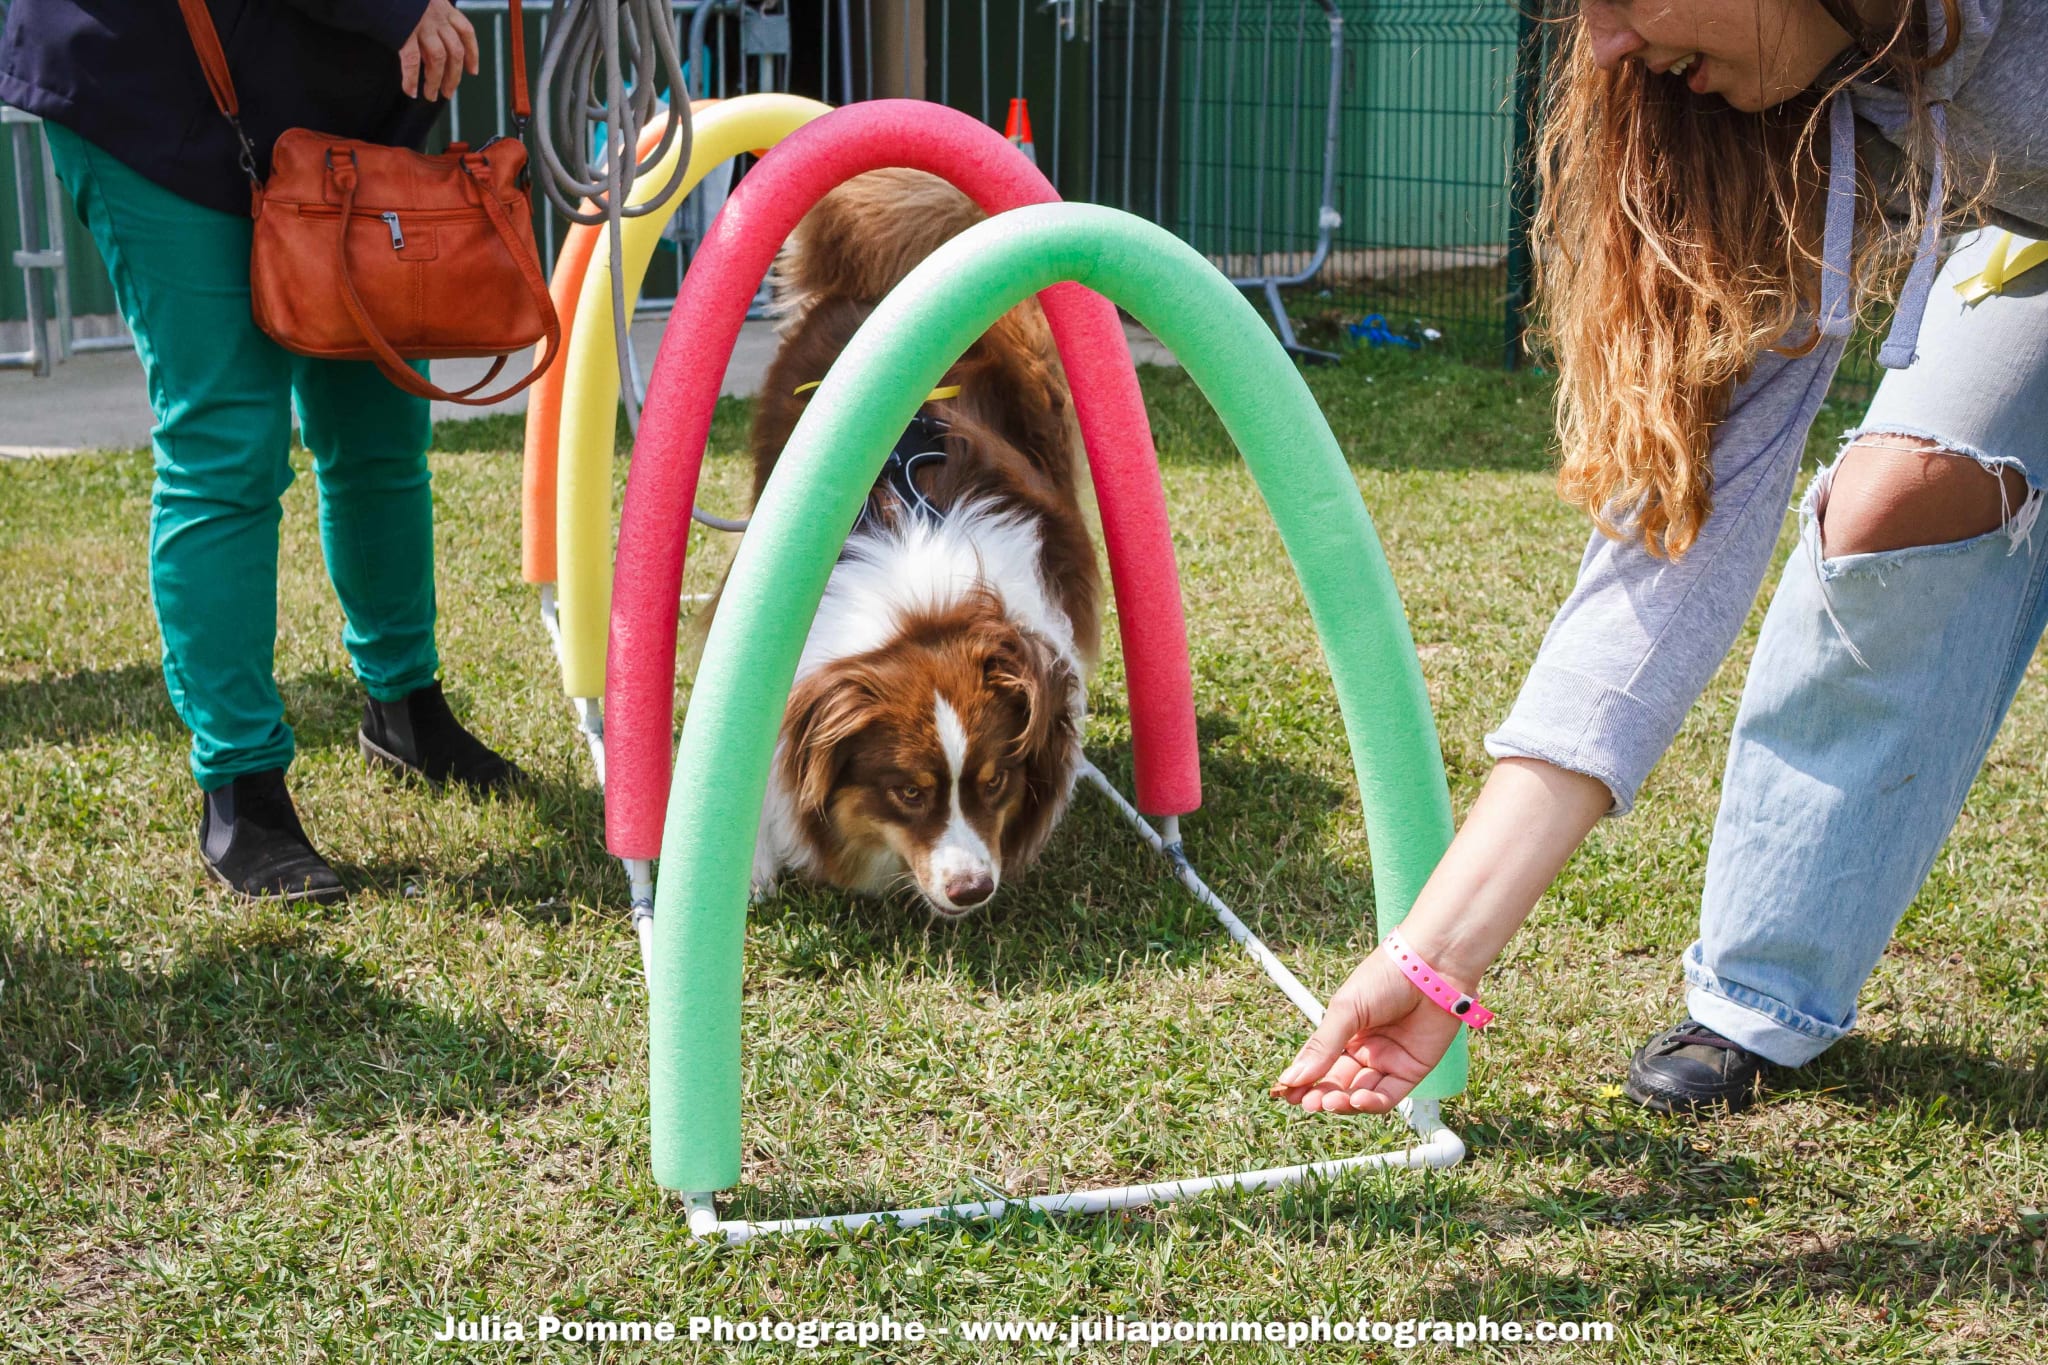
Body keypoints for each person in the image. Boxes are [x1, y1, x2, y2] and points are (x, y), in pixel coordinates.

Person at [1273, 0, 2046, 1116]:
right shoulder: (1776, 99)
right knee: (1889, 504)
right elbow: (1669, 543)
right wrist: (1434, 955)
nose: (1601, 43)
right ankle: (1760, 998)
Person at [0, 0, 525, 904]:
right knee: (227, 445)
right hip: (158, 83)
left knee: (380, 425)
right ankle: (242, 790)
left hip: (332, 87)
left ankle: (404, 707)